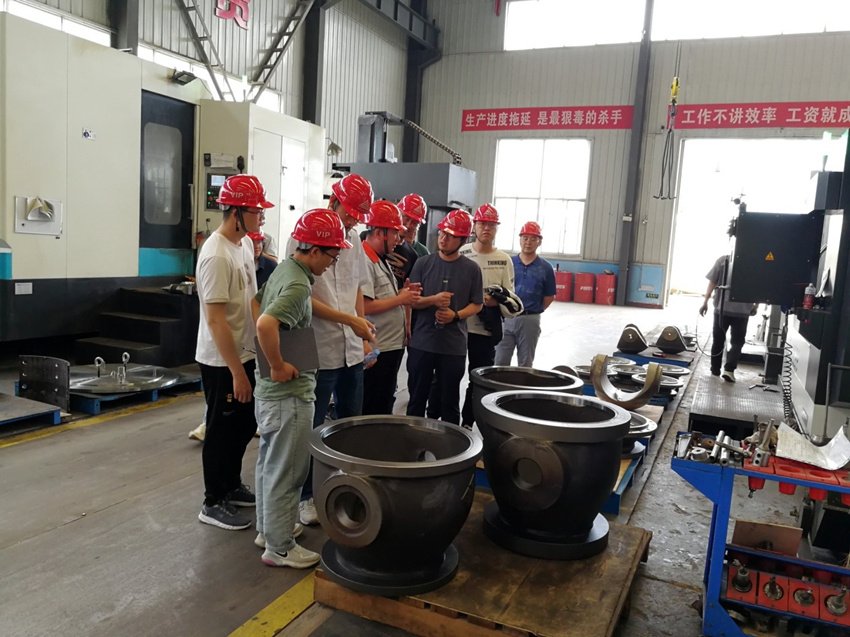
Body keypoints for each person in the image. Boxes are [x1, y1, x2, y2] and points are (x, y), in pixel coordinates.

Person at [252, 208, 352, 568]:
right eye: (332, 256)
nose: (332, 263)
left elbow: (256, 304)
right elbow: (265, 324)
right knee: (289, 471)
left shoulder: (285, 270)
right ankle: (279, 548)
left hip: (270, 395)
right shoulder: (297, 285)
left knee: (270, 464)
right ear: (315, 250)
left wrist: (270, 361)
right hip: (289, 396)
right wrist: (278, 364)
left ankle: (268, 529)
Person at [290, 173, 376, 526]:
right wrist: (349, 320)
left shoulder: (353, 240)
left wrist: (363, 330)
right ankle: (306, 495)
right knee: (311, 426)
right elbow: (302, 295)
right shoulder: (305, 235)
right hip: (319, 348)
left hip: (351, 349)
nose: (354, 220)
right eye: (351, 212)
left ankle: (346, 484)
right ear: (334, 201)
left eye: (358, 215)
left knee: (350, 422)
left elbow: (357, 287)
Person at [195, 174, 273, 531]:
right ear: (237, 212)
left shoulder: (242, 245)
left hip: (245, 353)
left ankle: (230, 484)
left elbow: (252, 301)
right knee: (221, 429)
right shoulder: (216, 255)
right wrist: (237, 373)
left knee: (243, 424)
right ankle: (213, 501)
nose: (262, 217)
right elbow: (216, 320)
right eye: (257, 211)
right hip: (221, 361)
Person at [406, 210, 483, 424]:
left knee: (449, 402)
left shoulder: (472, 269)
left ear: (463, 240)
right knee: (416, 399)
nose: (443, 238)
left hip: (453, 346)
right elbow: (412, 300)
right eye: (442, 233)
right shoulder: (423, 264)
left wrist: (455, 315)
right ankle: (411, 440)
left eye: (450, 235)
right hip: (423, 343)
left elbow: (477, 303)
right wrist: (434, 300)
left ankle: (451, 442)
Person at [458, 203, 517, 427]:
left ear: (497, 229)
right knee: (447, 376)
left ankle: (468, 421)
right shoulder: (462, 252)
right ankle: (447, 419)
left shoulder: (503, 260)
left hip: (484, 331)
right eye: (482, 223)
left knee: (478, 379)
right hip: (457, 326)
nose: (486, 228)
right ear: (474, 226)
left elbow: (511, 298)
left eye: (491, 225)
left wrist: (496, 301)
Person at [361, 200, 421, 415]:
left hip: (389, 346)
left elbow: (384, 296)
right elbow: (364, 306)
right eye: (395, 233)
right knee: (373, 407)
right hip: (379, 348)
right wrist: (400, 299)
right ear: (379, 232)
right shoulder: (365, 260)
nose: (399, 238)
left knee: (385, 402)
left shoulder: (381, 259)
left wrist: (402, 293)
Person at [699, 222, 756, 383]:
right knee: (737, 342)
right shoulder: (753, 263)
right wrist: (755, 305)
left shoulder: (723, 261)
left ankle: (715, 369)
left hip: (722, 309)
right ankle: (729, 370)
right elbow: (756, 286)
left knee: (718, 339)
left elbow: (712, 282)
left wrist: (705, 302)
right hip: (741, 311)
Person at [494, 221, 556, 368]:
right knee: (500, 362)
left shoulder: (545, 268)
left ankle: (523, 386)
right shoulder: (508, 263)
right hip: (506, 319)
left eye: (533, 239)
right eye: (525, 238)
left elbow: (549, 296)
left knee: (525, 364)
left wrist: (531, 311)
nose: (528, 242)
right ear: (520, 239)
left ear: (539, 242)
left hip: (530, 320)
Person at [399, 193, 430, 258]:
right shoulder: (387, 245)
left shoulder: (423, 253)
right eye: (406, 219)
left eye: (414, 222)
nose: (408, 226)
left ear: (419, 225)